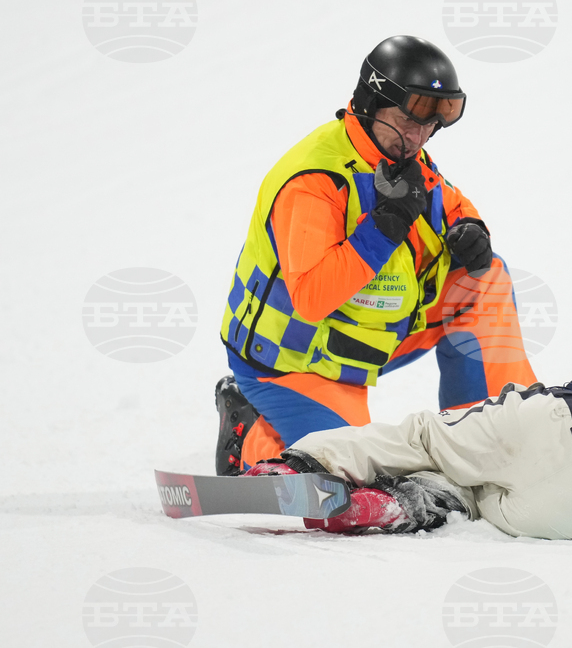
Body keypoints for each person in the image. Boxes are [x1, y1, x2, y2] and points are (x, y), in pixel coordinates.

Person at [214, 36, 538, 475]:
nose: (419, 137)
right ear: (372, 104)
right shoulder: (313, 182)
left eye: (430, 126)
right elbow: (311, 297)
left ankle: (489, 437)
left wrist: (471, 228)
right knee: (355, 471)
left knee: (485, 280)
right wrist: (381, 232)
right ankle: (250, 432)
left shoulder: (398, 150)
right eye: (408, 121)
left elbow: (449, 201)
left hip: (368, 334)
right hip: (297, 361)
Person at [244, 333, 572, 540]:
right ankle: (385, 507)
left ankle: (298, 465)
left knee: (425, 439)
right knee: (473, 503)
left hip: (569, 419)